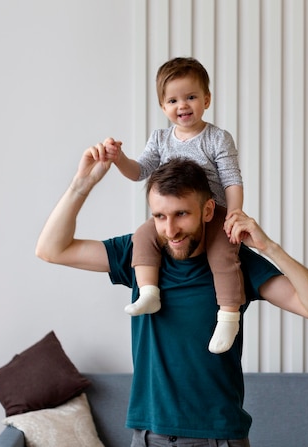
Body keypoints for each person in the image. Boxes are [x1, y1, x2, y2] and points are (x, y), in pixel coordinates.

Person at [35, 145, 308, 446]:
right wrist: (82, 184)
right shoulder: (137, 255)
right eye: (159, 216)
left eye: (181, 214)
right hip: (147, 436)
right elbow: (51, 249)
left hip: (218, 437)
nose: (170, 229)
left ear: (208, 210)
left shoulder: (236, 263)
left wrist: (269, 247)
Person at [104, 57, 245, 354]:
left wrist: (233, 215)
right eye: (173, 100)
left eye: (191, 97)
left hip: (211, 214)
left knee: (224, 256)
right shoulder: (160, 139)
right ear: (162, 106)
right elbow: (139, 171)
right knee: (142, 236)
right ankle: (149, 291)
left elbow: (231, 179)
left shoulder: (217, 138)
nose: (183, 105)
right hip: (173, 217)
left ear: (206, 99)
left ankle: (228, 316)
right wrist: (119, 159)